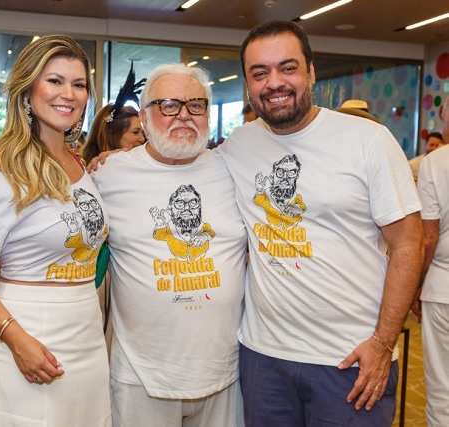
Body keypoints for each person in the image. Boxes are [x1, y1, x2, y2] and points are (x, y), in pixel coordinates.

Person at [218, 20, 424, 426]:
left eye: (288, 68)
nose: (274, 83)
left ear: (311, 72)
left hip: (350, 359)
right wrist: (114, 158)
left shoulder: (367, 140)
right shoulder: (238, 145)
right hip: (264, 358)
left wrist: (383, 342)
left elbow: (409, 243)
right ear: (248, 84)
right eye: (259, 73)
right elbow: (183, 169)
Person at [0, 35, 111, 426]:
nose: (68, 93)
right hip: (27, 334)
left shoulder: (79, 164)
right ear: (27, 89)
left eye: (79, 84)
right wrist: (15, 338)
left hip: (87, 334)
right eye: (54, 81)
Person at [91, 63, 247, 427]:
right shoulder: (108, 174)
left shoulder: (233, 168)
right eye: (169, 105)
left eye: (196, 105)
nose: (184, 115)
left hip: (224, 374)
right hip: (140, 377)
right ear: (144, 118)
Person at [416, 94, 449, 427]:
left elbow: (428, 238)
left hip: (443, 287)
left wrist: (415, 284)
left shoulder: (435, 163)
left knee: (443, 391)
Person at [81, 64, 146, 165]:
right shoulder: (94, 168)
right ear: (111, 134)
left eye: (142, 132)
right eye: (135, 132)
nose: (142, 139)